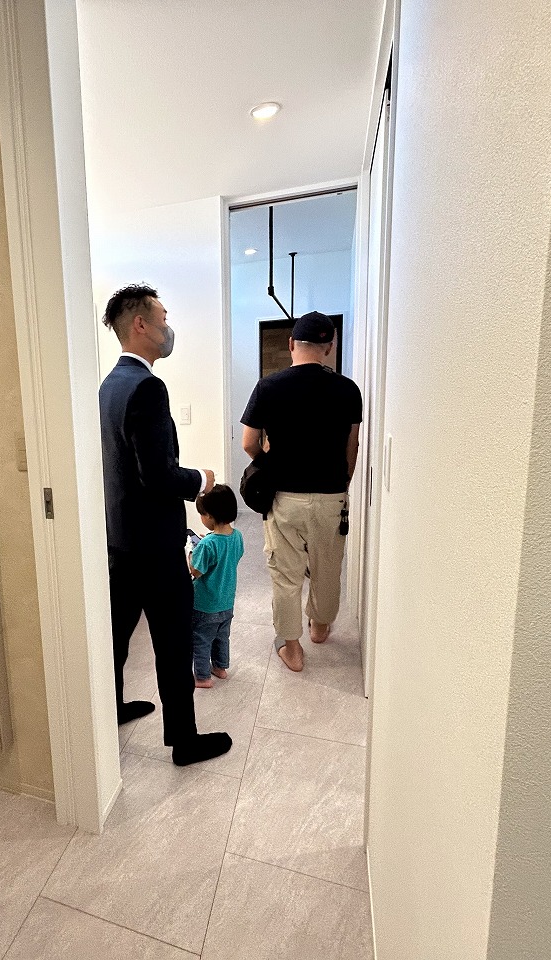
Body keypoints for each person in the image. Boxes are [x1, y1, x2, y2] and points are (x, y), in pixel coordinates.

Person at [100, 283, 232, 766]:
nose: (167, 325)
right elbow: (156, 475)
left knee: (116, 636)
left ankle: (110, 708)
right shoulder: (147, 387)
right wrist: (201, 479)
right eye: (162, 316)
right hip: (155, 547)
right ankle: (184, 740)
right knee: (173, 643)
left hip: (121, 539)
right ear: (140, 324)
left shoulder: (109, 385)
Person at [240, 311, 363, 673]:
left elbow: (249, 443)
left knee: (286, 574)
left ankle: (291, 647)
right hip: (331, 497)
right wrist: (341, 486)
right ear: (329, 347)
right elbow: (352, 447)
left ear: (292, 343)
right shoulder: (348, 390)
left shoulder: (268, 387)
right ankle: (320, 626)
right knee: (327, 567)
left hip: (284, 498)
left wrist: (270, 461)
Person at [187, 484, 244, 688]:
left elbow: (196, 571)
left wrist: (191, 554)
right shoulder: (237, 536)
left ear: (209, 516)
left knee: (201, 640)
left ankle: (202, 677)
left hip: (205, 605)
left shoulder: (206, 544)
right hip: (226, 602)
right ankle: (220, 668)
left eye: (202, 514)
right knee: (221, 637)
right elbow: (231, 556)